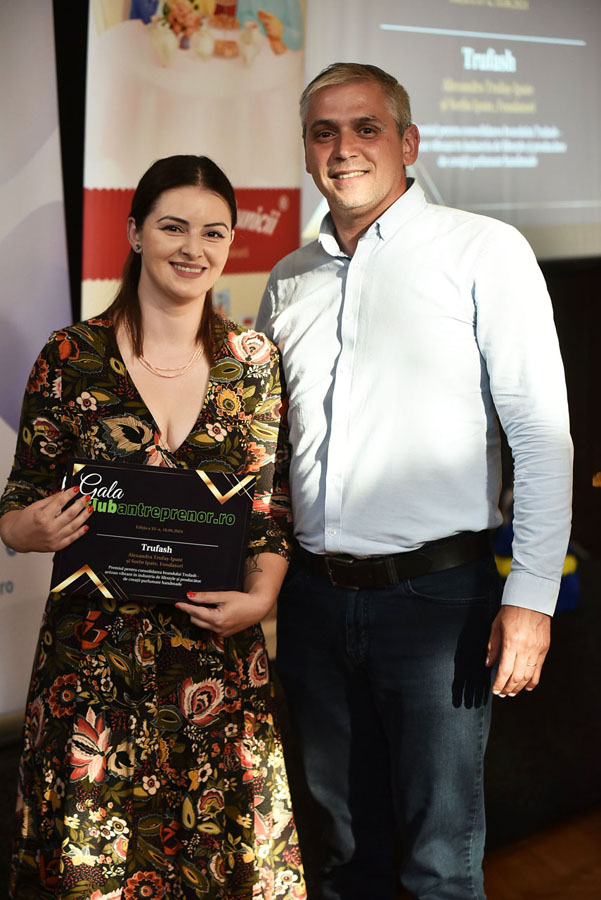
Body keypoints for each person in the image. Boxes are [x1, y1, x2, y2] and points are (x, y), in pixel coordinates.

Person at [256, 63, 573, 900]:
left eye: (365, 128)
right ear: (306, 150)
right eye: (323, 132)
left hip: (436, 604)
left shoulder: (482, 250)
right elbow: (269, 450)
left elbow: (541, 436)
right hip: (314, 606)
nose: (343, 148)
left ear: (408, 143)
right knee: (341, 855)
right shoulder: (287, 279)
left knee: (439, 863)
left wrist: (531, 598)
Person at [0, 155, 306, 900]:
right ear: (135, 233)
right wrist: (27, 528)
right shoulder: (69, 357)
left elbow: (270, 515)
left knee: (221, 869)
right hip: (91, 670)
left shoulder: (252, 363)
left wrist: (262, 598)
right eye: (173, 227)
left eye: (214, 232)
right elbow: (19, 504)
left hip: (215, 664)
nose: (192, 248)